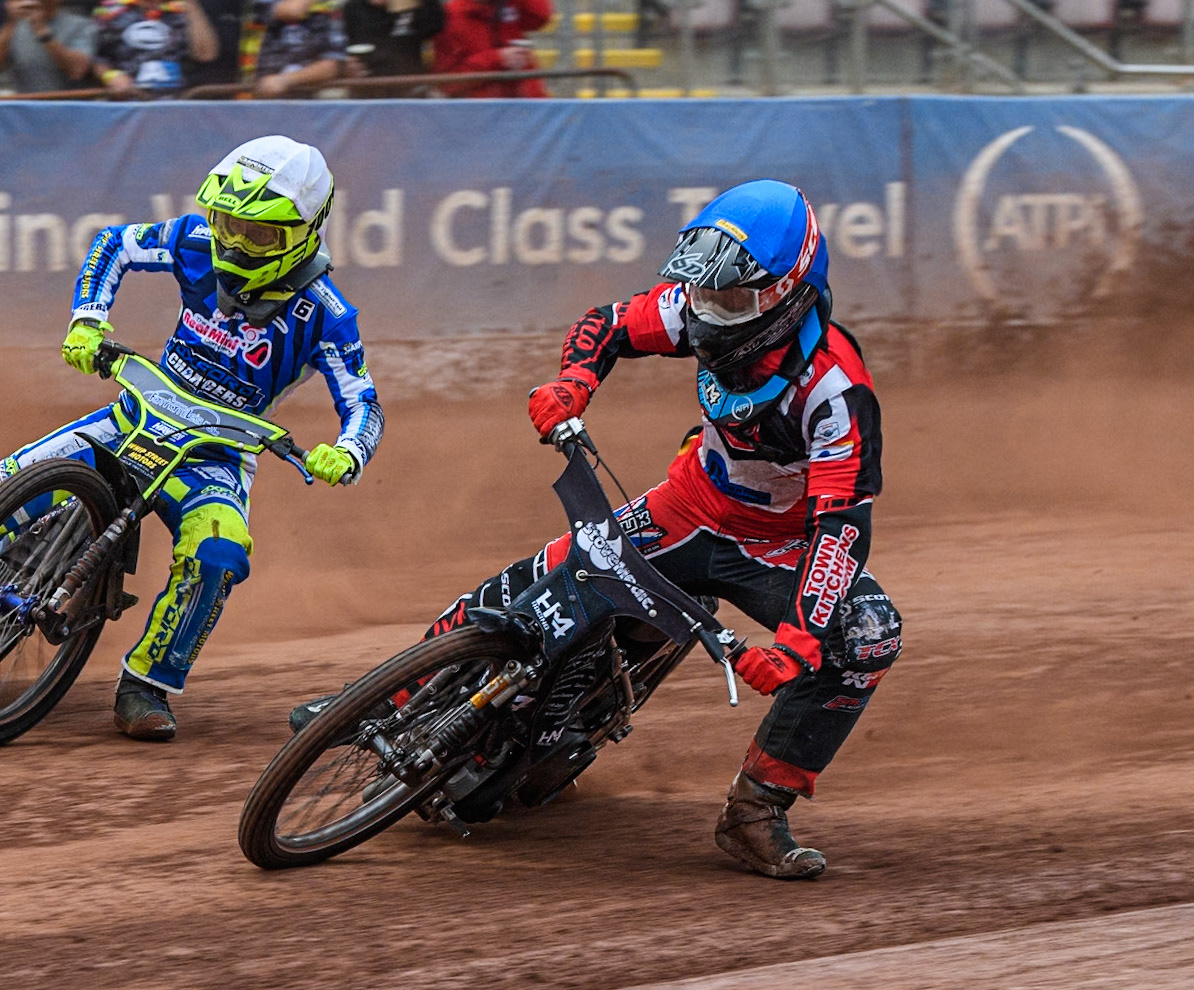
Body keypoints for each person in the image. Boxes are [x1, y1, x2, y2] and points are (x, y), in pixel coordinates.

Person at [302, 181, 900, 879]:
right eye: (705, 293)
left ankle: (755, 810)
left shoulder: (835, 390)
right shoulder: (701, 306)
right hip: (690, 504)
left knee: (868, 634)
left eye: (731, 300)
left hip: (782, 546)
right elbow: (608, 323)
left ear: (786, 296)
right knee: (536, 582)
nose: (708, 312)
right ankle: (380, 702)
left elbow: (840, 529)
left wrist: (796, 641)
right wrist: (573, 384)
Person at [0, 136, 385, 743]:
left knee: (219, 554)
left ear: (304, 232)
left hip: (213, 460)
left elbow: (363, 403)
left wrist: (348, 451)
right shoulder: (193, 239)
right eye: (227, 223)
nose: (233, 243)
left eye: (256, 234)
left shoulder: (327, 314)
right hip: (130, 420)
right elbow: (113, 246)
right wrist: (88, 319)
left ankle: (146, 684)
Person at [89, 0, 218, 99]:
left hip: (178, 102)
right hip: (129, 100)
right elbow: (96, 58)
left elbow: (206, 55)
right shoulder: (110, 10)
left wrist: (190, 5)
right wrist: (111, 77)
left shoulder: (182, 9)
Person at [432, 0, 551, 98]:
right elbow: (447, 83)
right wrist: (497, 58)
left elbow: (540, 16)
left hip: (528, 106)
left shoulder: (509, 5)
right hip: (481, 110)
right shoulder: (452, 16)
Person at [0, 0, 96, 93]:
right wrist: (10, 23)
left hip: (69, 110)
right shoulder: (14, 28)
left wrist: (42, 31)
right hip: (27, 110)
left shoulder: (81, 26)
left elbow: (76, 70)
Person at [245, 0, 348, 98]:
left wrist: (285, 80)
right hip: (259, 91)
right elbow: (293, 10)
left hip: (309, 93)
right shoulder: (262, 5)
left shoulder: (329, 8)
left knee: (334, 94)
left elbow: (331, 66)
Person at [341, 0, 443, 90]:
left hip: (409, 87)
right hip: (367, 88)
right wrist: (346, 65)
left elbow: (436, 26)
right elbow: (343, 50)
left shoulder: (413, 6)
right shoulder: (353, 8)